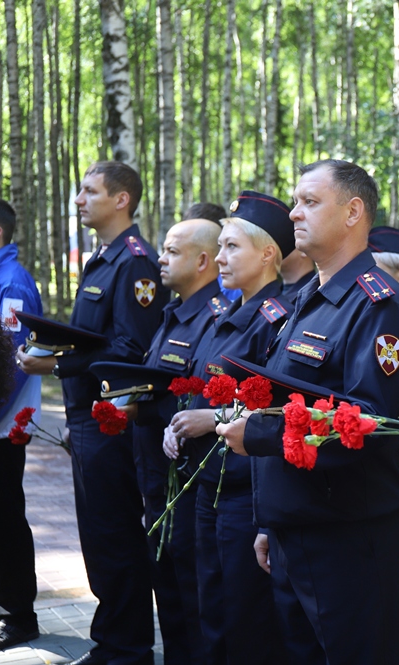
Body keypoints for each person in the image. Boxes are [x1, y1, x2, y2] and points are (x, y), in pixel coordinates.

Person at [216, 160, 399, 665]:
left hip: (347, 537)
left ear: (353, 212)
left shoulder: (378, 304)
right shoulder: (308, 297)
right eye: (294, 202)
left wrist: (260, 433)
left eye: (309, 202)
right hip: (298, 527)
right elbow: (295, 397)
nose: (293, 214)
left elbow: (366, 423)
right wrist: (271, 521)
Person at [16, 161, 166, 665]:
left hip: (110, 418)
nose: (79, 199)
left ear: (121, 199)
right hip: (86, 417)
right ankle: (113, 641)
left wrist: (56, 363)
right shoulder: (103, 258)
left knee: (115, 534)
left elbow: (130, 349)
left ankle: (127, 648)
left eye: (89, 191)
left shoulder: (135, 262)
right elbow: (99, 337)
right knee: (99, 537)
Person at [164, 192, 293, 665]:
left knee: (246, 620)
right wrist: (180, 422)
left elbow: (278, 407)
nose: (219, 257)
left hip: (245, 491)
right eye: (218, 247)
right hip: (207, 485)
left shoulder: (278, 319)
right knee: (210, 609)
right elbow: (200, 387)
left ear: (266, 254)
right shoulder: (223, 315)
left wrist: (212, 420)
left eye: (231, 247)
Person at [124, 218, 228, 665]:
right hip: (155, 476)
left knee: (192, 594)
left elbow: (203, 400)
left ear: (203, 260)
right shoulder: (173, 312)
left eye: (171, 251)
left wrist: (148, 409)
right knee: (166, 587)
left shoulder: (215, 320)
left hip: (185, 483)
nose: (160, 259)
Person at [0, 197, 43, 652]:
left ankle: (18, 615)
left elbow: (10, 365)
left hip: (2, 424)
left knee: (5, 516)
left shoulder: (11, 282)